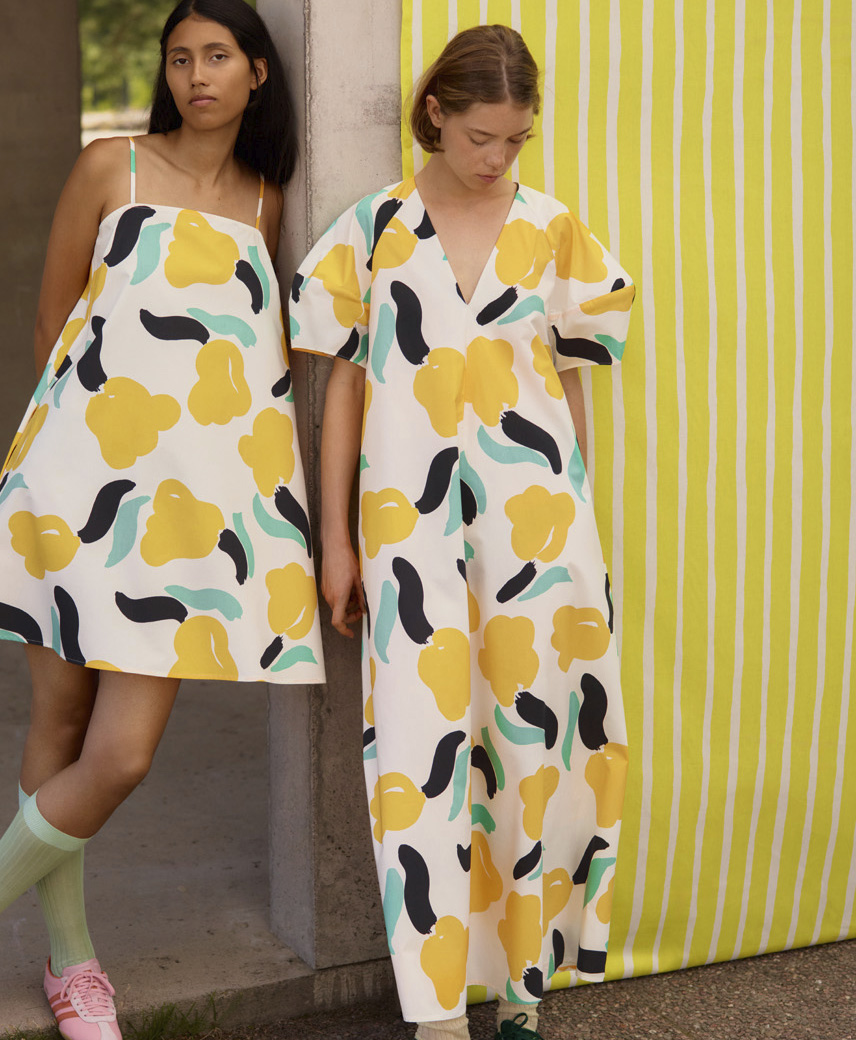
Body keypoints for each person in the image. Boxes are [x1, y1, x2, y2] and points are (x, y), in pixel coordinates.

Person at [0, 3, 324, 1038]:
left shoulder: (268, 201)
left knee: (122, 754)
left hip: (180, 526)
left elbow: (246, 376)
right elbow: (54, 321)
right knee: (57, 727)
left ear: (257, 73)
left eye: (217, 56)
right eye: (180, 58)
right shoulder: (112, 167)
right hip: (75, 494)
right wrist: (79, 461)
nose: (196, 75)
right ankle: (73, 965)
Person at [289, 24, 634, 1040]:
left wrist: (578, 533)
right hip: (406, 533)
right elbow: (343, 390)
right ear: (434, 113)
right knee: (417, 751)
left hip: (541, 537)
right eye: (482, 136)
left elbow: (568, 389)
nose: (497, 157)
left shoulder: (555, 230)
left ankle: (522, 990)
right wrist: (336, 543)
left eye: (516, 139)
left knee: (532, 747)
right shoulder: (374, 229)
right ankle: (436, 1009)